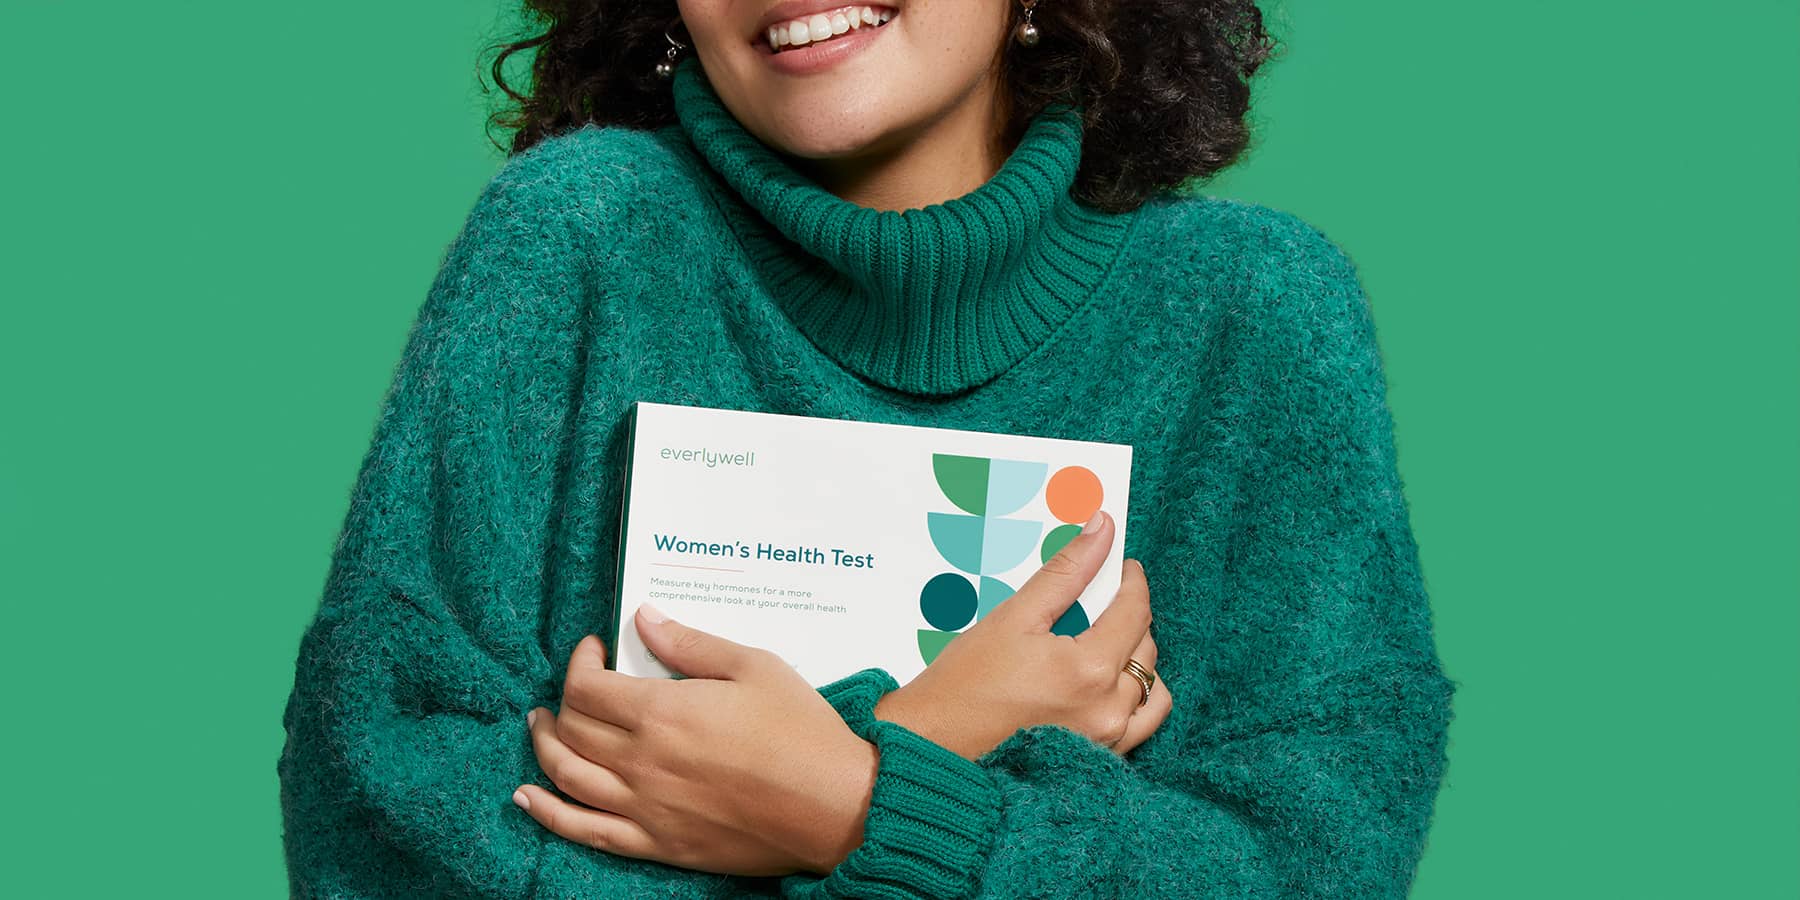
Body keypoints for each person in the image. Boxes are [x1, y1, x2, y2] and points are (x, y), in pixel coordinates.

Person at [278, 0, 1456, 896]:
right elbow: (373, 821)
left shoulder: (1256, 309)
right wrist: (926, 744)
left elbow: (1315, 859)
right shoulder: (575, 238)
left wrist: (852, 805)